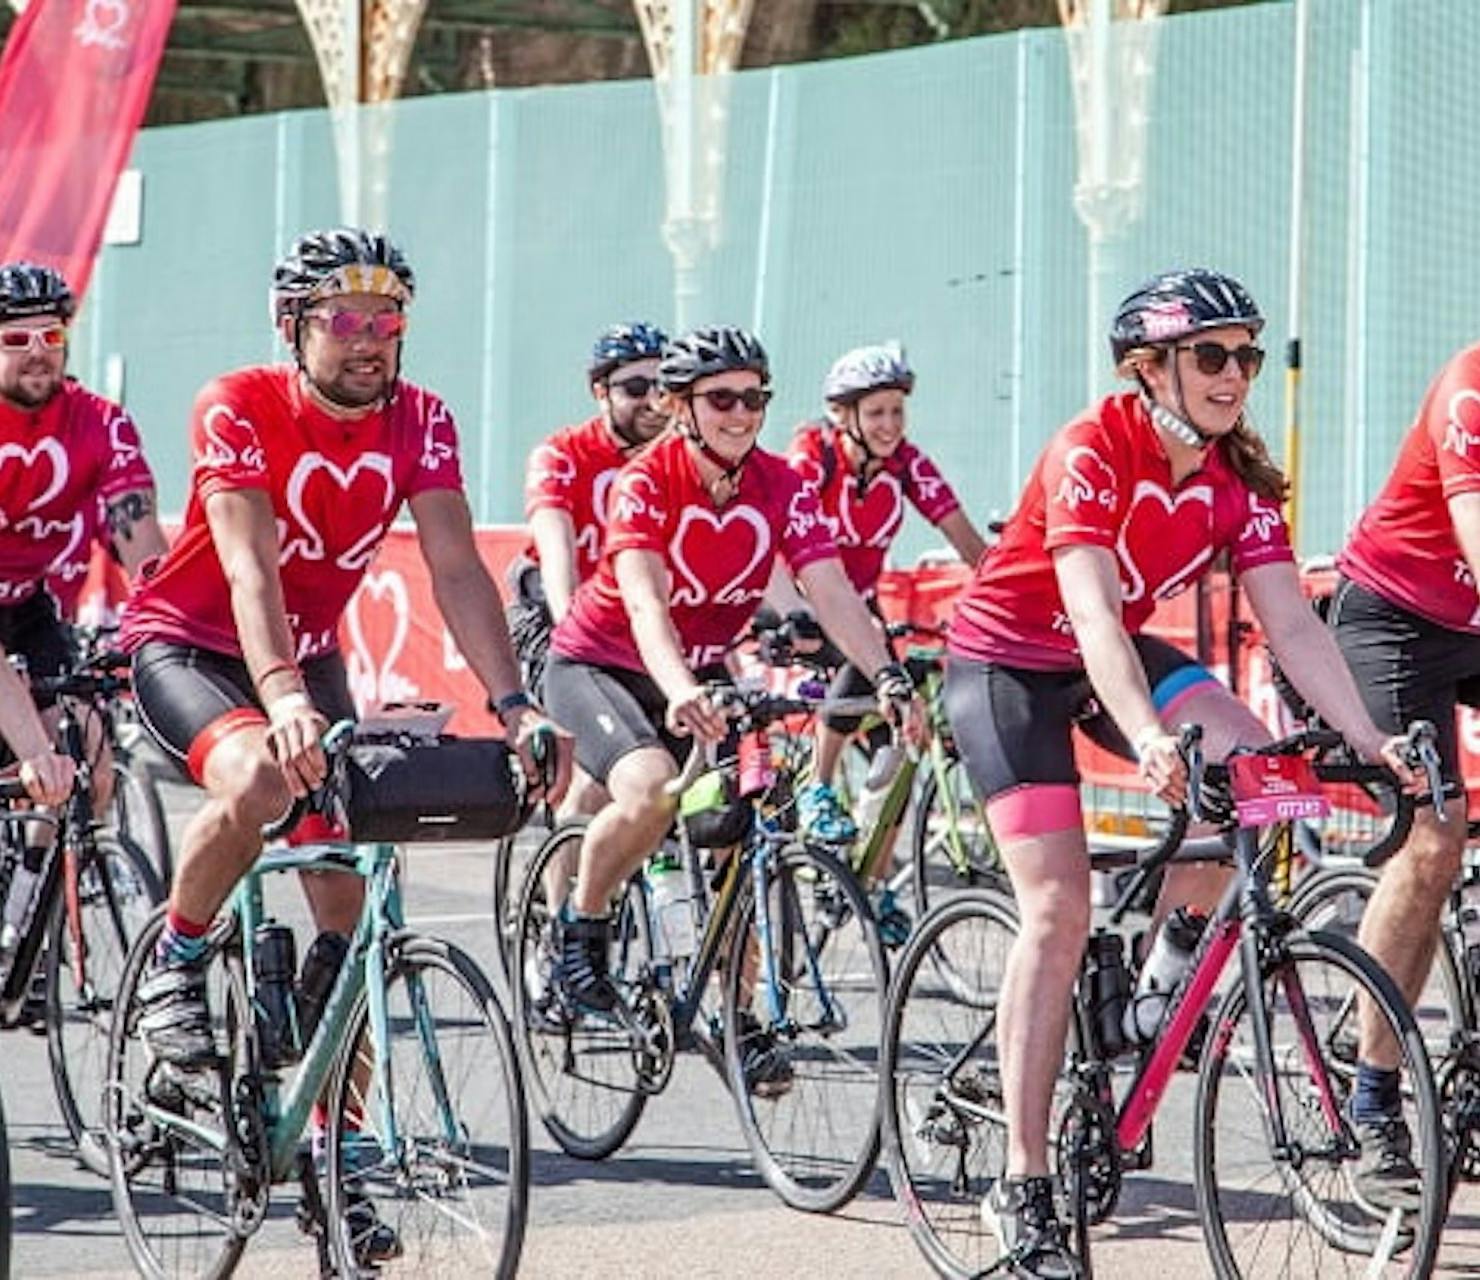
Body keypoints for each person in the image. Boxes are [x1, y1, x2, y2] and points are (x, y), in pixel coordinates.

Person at [942, 269, 1419, 1276]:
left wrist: (1368, 739)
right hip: (1010, 664)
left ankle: (1154, 997)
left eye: (1245, 354)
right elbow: (1091, 614)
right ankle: (1022, 1182)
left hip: (1105, 655)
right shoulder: (1091, 449)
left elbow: (1291, 622)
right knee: (1057, 905)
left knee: (1250, 767)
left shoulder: (1232, 476)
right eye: (1211, 354)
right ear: (1146, 367)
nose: (1234, 372)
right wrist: (1147, 738)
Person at [117, 228, 570, 1250]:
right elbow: (248, 566)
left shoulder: (422, 419)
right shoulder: (237, 402)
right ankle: (176, 961)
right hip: (196, 642)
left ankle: (338, 1161)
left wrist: (515, 703)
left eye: (388, 321)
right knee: (257, 778)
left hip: (309, 655)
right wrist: (277, 689)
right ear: (294, 328)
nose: (371, 340)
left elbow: (457, 568)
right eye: (345, 320)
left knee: (351, 909)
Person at [539, 325, 924, 1089]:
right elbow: (646, 606)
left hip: (701, 665)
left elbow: (834, 591)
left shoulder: (780, 483)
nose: (740, 413)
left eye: (753, 397)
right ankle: (577, 927)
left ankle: (738, 1017)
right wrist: (681, 691)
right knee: (650, 791)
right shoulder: (647, 481)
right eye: (721, 399)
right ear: (681, 407)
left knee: (746, 829)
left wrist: (886, 675)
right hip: (603, 661)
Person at [1327, 333, 1480, 1210]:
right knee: (1431, 840)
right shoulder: (1467, 387)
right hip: (1392, 619)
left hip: (1466, 621)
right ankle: (1373, 1096)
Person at [0, 260, 168, 960]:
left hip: (29, 602)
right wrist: (31, 749)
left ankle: (23, 921)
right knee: (35, 753)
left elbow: (144, 547)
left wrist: (162, 629)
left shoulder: (101, 424)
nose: (39, 349)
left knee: (87, 758)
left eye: (52, 334)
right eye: (15, 339)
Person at [781, 342, 986, 867]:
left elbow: (965, 539)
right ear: (841, 414)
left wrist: (1008, 587)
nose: (890, 424)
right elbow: (781, 538)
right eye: (875, 412)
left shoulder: (906, 464)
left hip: (860, 608)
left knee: (898, 741)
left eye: (897, 410)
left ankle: (869, 879)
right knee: (866, 654)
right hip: (799, 602)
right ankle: (817, 786)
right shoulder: (813, 455)